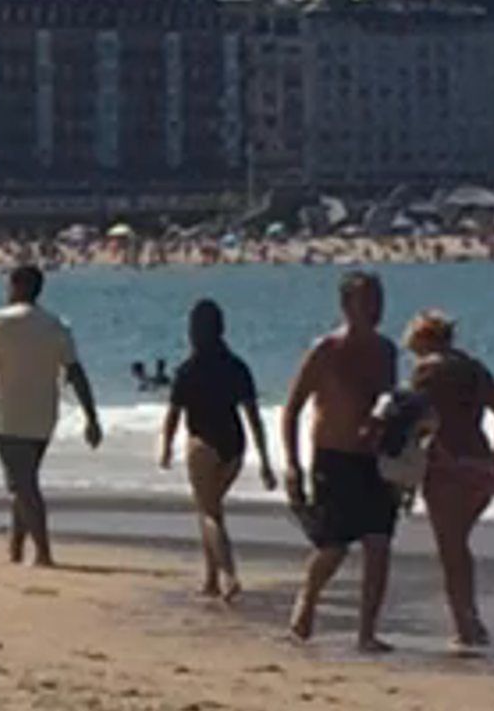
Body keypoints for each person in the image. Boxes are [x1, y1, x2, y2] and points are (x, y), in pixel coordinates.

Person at [285, 271, 411, 651]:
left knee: (379, 544)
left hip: (373, 461)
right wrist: (293, 464)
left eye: (379, 299)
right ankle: (307, 600)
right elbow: (292, 409)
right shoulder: (325, 349)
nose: (375, 308)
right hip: (332, 458)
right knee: (334, 547)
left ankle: (367, 633)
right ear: (346, 305)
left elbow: (387, 406)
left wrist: (403, 465)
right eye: (366, 300)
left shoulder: (386, 351)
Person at [0, 260, 100, 570]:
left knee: (23, 486)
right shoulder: (56, 325)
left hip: (9, 416)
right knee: (23, 481)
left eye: (10, 285)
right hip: (44, 417)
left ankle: (44, 553)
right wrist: (92, 417)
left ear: (19, 287)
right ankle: (15, 550)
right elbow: (76, 373)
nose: (7, 291)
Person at [397, 308, 494, 653]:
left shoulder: (426, 370)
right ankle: (471, 619)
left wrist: (405, 477)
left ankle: (465, 625)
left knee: (451, 550)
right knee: (460, 544)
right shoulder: (475, 368)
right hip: (479, 464)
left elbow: (413, 423)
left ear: (424, 339)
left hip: (446, 465)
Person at [157, 296, 274, 603]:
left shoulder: (188, 370)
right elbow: (253, 417)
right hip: (234, 446)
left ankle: (228, 574)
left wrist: (167, 448)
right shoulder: (238, 367)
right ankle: (210, 580)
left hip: (202, 445)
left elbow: (174, 415)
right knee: (212, 508)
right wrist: (264, 461)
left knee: (209, 512)